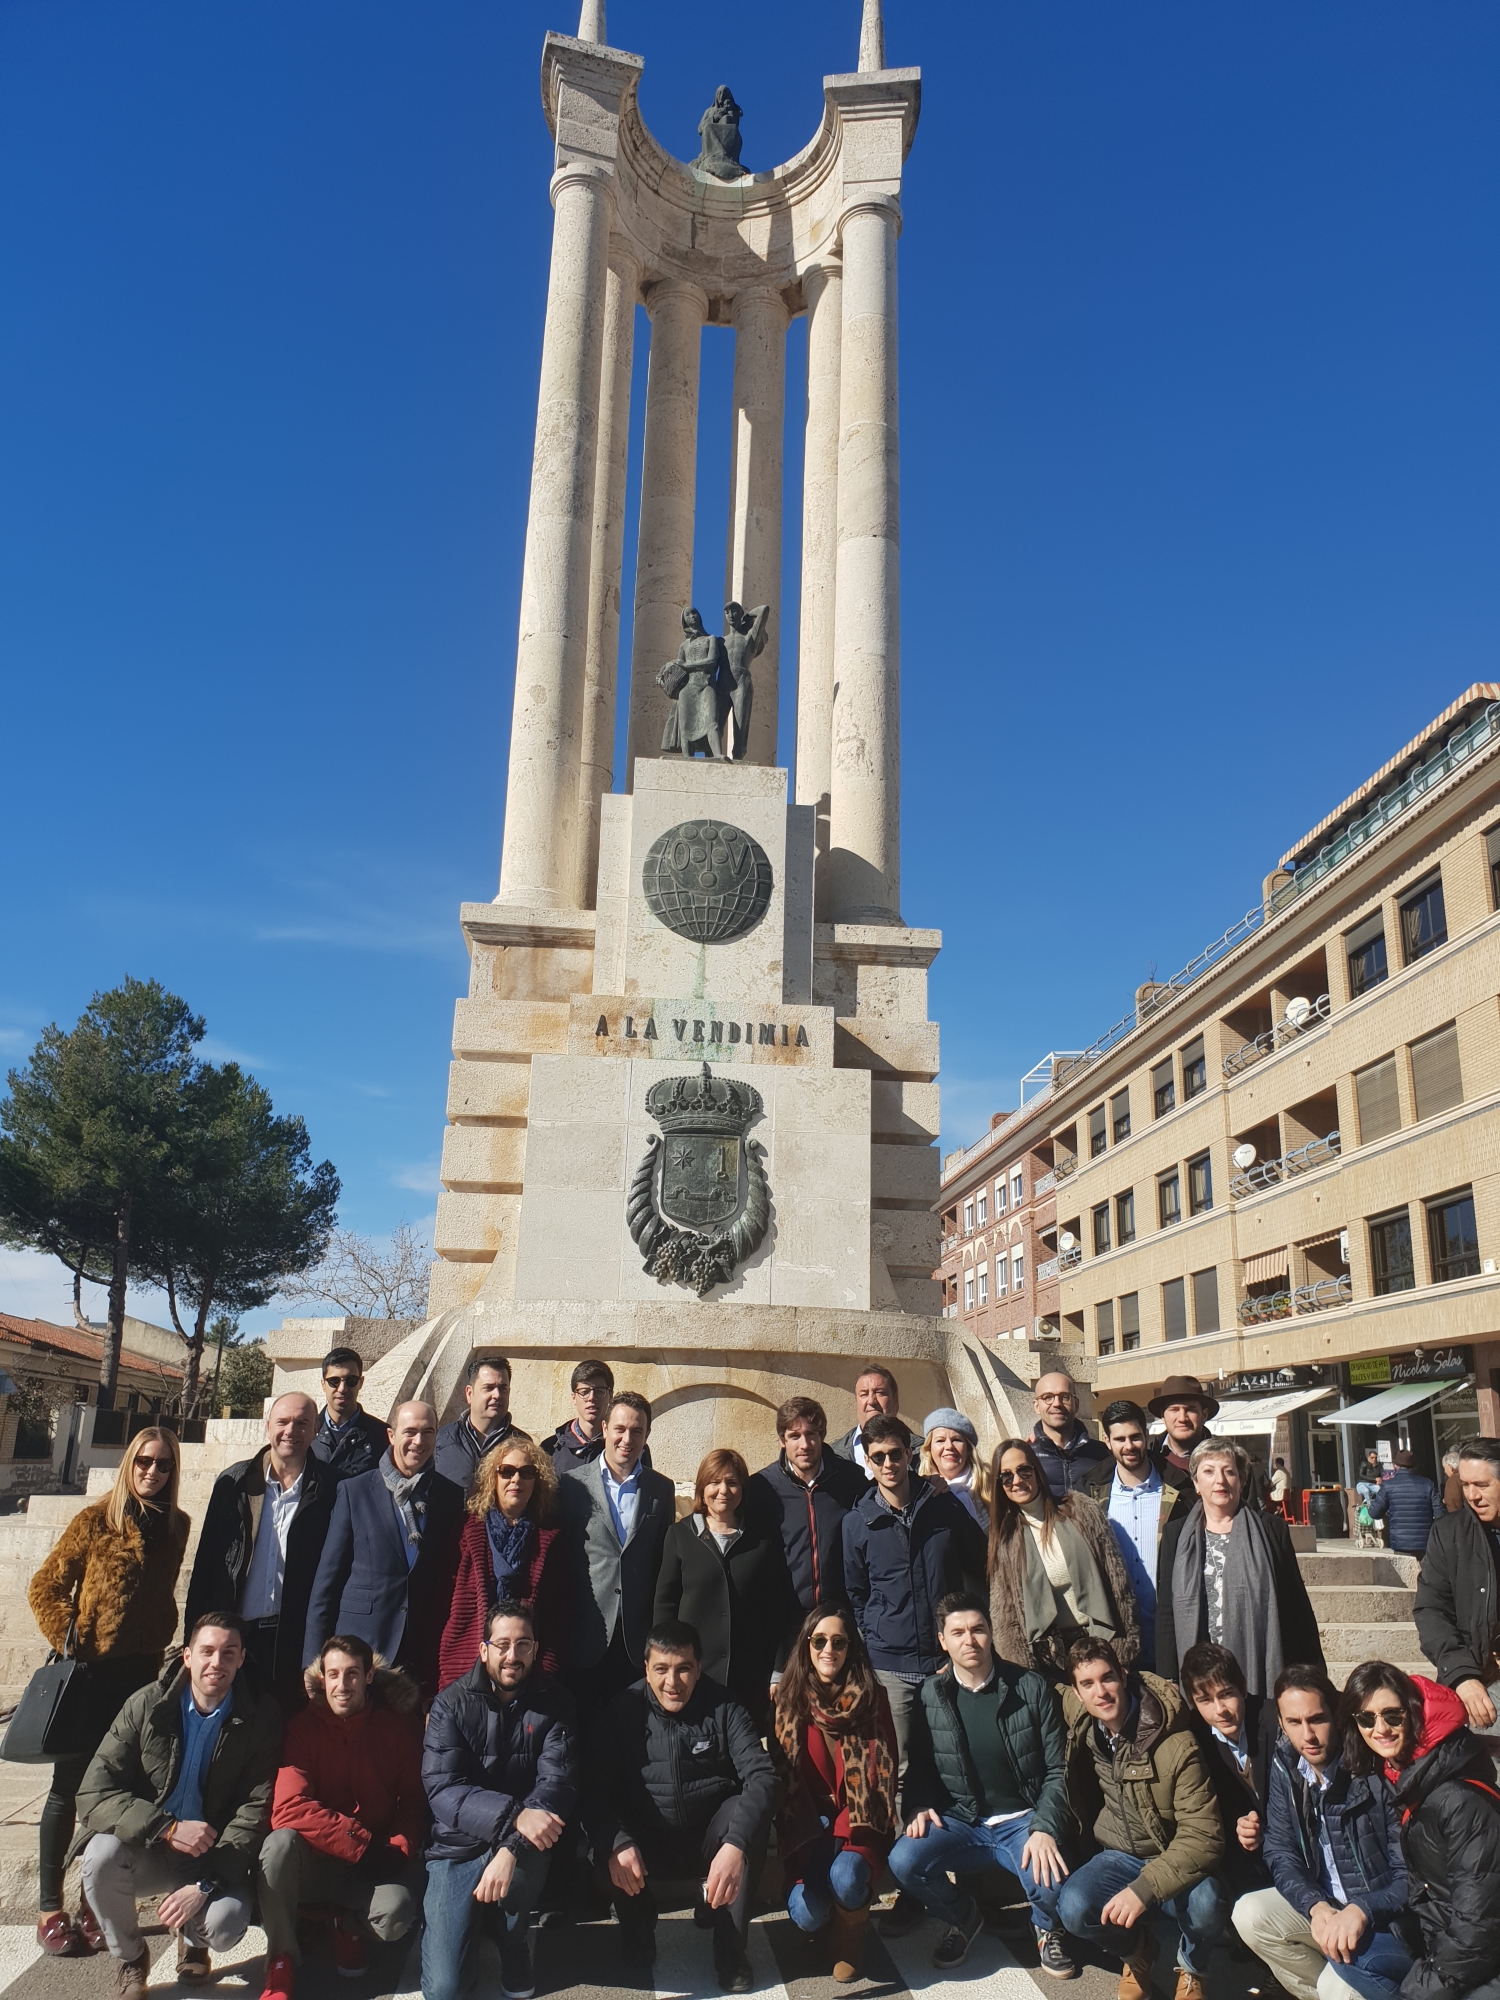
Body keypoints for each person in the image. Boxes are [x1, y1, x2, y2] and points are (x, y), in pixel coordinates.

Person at [27, 1426, 191, 1958]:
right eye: (144, 1461)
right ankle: (49, 1906)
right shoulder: (95, 1521)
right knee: (68, 1788)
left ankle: (90, 1903)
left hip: (142, 1679)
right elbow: (44, 1586)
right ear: (129, 1463)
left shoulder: (176, 1526)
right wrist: (70, 1635)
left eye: (163, 1464)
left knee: (123, 1791)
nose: (152, 1471)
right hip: (91, 1673)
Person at [76, 1611, 281, 1998]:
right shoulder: (145, 1705)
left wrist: (204, 1886)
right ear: (187, 1656)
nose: (215, 1663)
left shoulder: (260, 1717)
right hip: (150, 1845)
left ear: (241, 1659)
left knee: (226, 1923)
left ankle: (195, 1942)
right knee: (100, 1855)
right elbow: (93, 1792)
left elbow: (255, 1810)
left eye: (227, 1653)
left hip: (213, 1855)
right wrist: (165, 1827)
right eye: (206, 1651)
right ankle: (132, 1959)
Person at [888, 1592, 1074, 1978]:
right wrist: (917, 1803)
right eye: (957, 1633)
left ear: (991, 1634)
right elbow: (919, 1765)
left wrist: (1045, 1826)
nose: (969, 1641)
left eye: (977, 1630)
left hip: (1023, 1819)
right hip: (962, 1822)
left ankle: (1044, 1925)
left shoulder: (1031, 1688)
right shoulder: (929, 1695)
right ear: (943, 1640)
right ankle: (965, 1917)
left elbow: (1060, 1769)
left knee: (1054, 1884)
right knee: (903, 1861)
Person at [586, 1618, 775, 1991]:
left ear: (699, 1668)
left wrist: (735, 1845)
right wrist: (617, 1841)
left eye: (683, 1669)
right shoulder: (622, 1710)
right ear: (646, 1668)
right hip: (644, 1842)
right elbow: (592, 1791)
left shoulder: (725, 1707)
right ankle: (639, 1922)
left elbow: (763, 1777)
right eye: (661, 1669)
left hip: (707, 1841)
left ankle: (731, 1952)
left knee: (746, 1820)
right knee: (603, 1851)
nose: (672, 1682)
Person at [421, 1597, 578, 2000]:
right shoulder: (449, 1705)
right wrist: (513, 1815)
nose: (513, 1655)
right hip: (456, 1845)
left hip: (522, 1844)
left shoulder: (556, 1702)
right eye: (503, 1644)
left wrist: (508, 1848)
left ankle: (511, 1940)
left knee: (530, 1858)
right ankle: (466, 1927)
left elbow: (556, 1785)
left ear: (536, 1649)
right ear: (484, 1649)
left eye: (523, 1644)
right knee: (444, 1990)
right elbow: (443, 1790)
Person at [257, 1633, 425, 2000]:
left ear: (368, 1676)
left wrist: (398, 1847)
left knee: (397, 1914)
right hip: (318, 1861)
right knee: (277, 1845)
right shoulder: (302, 1728)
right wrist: (358, 1843)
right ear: (322, 1679)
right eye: (333, 1675)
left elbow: (414, 1800)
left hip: (372, 1865)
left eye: (351, 1674)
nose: (341, 1685)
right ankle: (281, 1960)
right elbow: (288, 1807)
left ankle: (345, 1924)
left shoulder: (400, 1727)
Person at [1057, 1636, 1225, 2000]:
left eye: (1108, 1678)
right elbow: (1045, 1689)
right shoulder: (1086, 1719)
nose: (1100, 1692)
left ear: (1124, 1675)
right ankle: (1138, 1952)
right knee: (1072, 1907)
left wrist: (1144, 1889)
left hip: (1172, 1854)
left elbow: (1204, 1836)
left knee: (1207, 1905)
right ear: (1077, 1691)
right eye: (1087, 1684)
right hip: (1117, 1855)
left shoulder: (1176, 1744)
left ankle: (1193, 1968)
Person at [1232, 1663, 1410, 2000]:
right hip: (1329, 1905)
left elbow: (1410, 1875)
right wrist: (1315, 1906)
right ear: (1282, 1723)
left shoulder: (1372, 1766)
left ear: (1337, 1715)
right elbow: (1280, 1851)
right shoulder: (1287, 1764)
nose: (1308, 1736)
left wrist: (1362, 1909)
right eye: (1295, 1723)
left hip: (1385, 1920)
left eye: (1317, 1719)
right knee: (1249, 1914)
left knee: (1336, 1987)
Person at [1342, 1661, 1500, 2000]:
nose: (1380, 1728)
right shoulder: (1404, 1778)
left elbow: (1478, 1926)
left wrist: (1419, 1990)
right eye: (1366, 1718)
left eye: (1392, 1715)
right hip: (1442, 1944)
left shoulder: (1457, 1799)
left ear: (1413, 1713)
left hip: (1485, 1958)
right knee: (1348, 1953)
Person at [841, 1413, 988, 1774]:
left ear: (909, 1454)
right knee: (901, 1766)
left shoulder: (945, 1506)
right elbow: (856, 1592)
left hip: (945, 1658)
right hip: (890, 1664)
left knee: (959, 1758)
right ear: (868, 1461)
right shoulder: (856, 1522)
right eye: (879, 1457)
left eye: (895, 1454)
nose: (888, 1464)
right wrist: (875, 1637)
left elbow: (982, 1565)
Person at [303, 1400, 466, 1701]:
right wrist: (313, 1661)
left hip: (419, 1652)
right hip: (359, 1648)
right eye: (410, 1432)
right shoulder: (356, 1491)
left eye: (428, 1432)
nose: (419, 1442)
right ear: (391, 1435)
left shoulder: (451, 1497)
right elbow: (327, 1582)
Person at [185, 1391, 338, 1714]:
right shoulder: (234, 1483)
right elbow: (206, 1566)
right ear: (268, 1427)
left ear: (316, 1430)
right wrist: (193, 1641)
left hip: (293, 1640)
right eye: (282, 1422)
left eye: (302, 1423)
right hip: (236, 1636)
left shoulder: (333, 1489)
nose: (291, 1431)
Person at [772, 1604, 898, 1981]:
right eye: (819, 1641)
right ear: (806, 1646)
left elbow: (883, 1778)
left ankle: (850, 1935)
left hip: (858, 1821)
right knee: (808, 1913)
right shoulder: (787, 1701)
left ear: (850, 1648)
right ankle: (825, 1920)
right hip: (808, 1825)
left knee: (846, 1877)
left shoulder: (872, 1698)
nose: (829, 1650)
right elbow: (780, 1782)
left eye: (838, 1642)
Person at [1155, 1438, 1323, 1693]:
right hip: (1199, 1672)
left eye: (1229, 1471)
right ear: (1196, 1483)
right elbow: (1167, 1610)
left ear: (1242, 1481)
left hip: (1259, 1666)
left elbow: (1296, 1605)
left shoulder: (1270, 1529)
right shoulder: (1176, 1534)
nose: (1220, 1480)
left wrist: (1313, 1672)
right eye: (1208, 1471)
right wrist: (1167, 1677)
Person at [653, 1447, 799, 1729]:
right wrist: (663, 1664)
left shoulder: (763, 1540)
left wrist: (778, 1671)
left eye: (732, 1482)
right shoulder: (680, 1536)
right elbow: (664, 1605)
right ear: (701, 1488)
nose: (723, 1491)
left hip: (749, 1677)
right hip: (693, 1674)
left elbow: (777, 1609)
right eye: (714, 1482)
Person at [557, 1390, 676, 1713]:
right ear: (605, 1428)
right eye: (620, 1429)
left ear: (646, 1435)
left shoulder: (661, 1490)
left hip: (635, 1641)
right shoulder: (571, 1486)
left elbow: (660, 1562)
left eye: (637, 1431)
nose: (627, 1439)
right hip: (585, 1635)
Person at [987, 1437, 1140, 1678]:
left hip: (1100, 1643)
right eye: (1006, 1476)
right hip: (1050, 1660)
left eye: (1024, 1470)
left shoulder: (1081, 1512)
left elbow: (1118, 1582)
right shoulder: (1005, 1539)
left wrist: (1123, 1651)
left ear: (1037, 1472)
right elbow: (1005, 1615)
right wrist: (1021, 1675)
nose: (1017, 1481)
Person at [440, 1434, 568, 1689]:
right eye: (507, 1471)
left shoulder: (550, 1539)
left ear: (537, 1480)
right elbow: (442, 1602)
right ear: (493, 1478)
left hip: (526, 1669)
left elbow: (557, 1614)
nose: (516, 1480)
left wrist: (546, 1673)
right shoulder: (466, 1530)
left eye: (527, 1472)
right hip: (468, 1665)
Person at [1084, 1398, 1187, 1671]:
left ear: (1147, 1435)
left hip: (1172, 1634)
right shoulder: (1092, 1494)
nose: (1128, 1446)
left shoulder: (1178, 1491)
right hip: (1117, 1641)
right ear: (1107, 1441)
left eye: (1135, 1437)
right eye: (1119, 1439)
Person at [748, 1395, 868, 1616]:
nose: (804, 1445)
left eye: (811, 1434)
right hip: (784, 1620)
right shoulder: (761, 1487)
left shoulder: (851, 1480)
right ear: (782, 1441)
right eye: (794, 1436)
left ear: (822, 1436)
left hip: (839, 1615)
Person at [1414, 1436, 1500, 1731]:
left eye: (1482, 1485)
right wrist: (1461, 1674)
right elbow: (1431, 1609)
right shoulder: (1448, 1534)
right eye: (1465, 1485)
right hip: (1477, 1682)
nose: (1472, 1496)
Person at [1178, 1643, 1273, 1900]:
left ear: (1243, 1687)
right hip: (1244, 1854)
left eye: (1226, 1694)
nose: (1219, 1710)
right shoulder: (1196, 1737)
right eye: (1205, 1700)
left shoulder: (1274, 1721)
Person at [434, 1353, 530, 1494]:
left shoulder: (522, 1444)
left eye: (503, 1388)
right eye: (488, 1388)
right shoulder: (440, 1440)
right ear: (469, 1393)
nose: (497, 1395)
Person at [309, 1347, 390, 1476]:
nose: (342, 1389)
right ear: (323, 1384)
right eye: (334, 1381)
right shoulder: (304, 1433)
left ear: (361, 1382)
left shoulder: (383, 1436)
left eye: (350, 1381)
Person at [1031, 1372, 1111, 1499]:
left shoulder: (1103, 1455)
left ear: (1076, 1404)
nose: (1057, 1403)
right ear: (1036, 1406)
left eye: (1065, 1397)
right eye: (1047, 1397)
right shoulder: (1025, 1456)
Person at [920, 1407, 992, 1527]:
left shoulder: (991, 1484)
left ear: (968, 1449)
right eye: (940, 1441)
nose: (949, 1446)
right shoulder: (920, 1492)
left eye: (956, 1440)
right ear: (929, 1449)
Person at [541, 1359, 614, 1476]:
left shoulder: (625, 1447)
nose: (591, 1397)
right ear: (574, 1397)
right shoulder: (550, 1449)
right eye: (584, 1392)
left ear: (610, 1395)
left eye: (599, 1391)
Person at [1367, 1449, 1444, 1559]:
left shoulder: (1388, 1486)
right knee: (1426, 1574)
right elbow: (1440, 1514)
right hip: (1425, 1541)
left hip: (1400, 1542)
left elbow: (1374, 1513)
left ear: (1395, 1466)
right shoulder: (1428, 1484)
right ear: (1413, 1466)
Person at [829, 1364, 900, 1475]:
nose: (871, 1401)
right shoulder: (832, 1455)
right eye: (864, 1394)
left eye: (880, 1393)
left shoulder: (923, 1453)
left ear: (895, 1401)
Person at [1150, 1376, 1220, 1484]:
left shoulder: (1229, 1460)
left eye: (1190, 1410)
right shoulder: (1147, 1461)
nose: (1182, 1418)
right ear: (1162, 1416)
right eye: (1174, 1410)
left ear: (1204, 1415)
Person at [1443, 1449, 1464, 1514]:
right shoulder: (1466, 1476)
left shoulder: (1453, 1481)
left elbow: (1453, 1505)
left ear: (1450, 1467)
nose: (1445, 1471)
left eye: (1445, 1468)